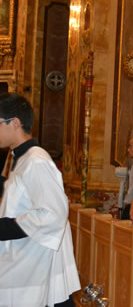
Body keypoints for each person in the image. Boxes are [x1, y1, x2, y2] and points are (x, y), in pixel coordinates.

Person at [0, 93, 80, 306]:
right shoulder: (21, 158)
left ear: (15, 122)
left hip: (35, 262)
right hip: (23, 260)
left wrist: (4, 228)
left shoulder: (37, 160)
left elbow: (52, 214)